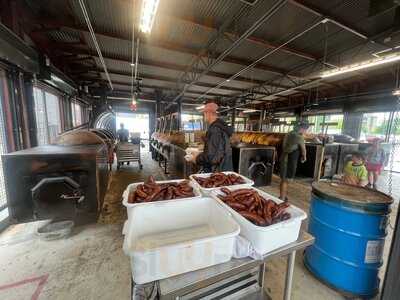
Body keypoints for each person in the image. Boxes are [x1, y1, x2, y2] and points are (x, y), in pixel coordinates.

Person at [190, 101, 233, 172]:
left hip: (217, 172)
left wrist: (196, 159)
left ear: (209, 113)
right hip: (222, 168)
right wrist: (200, 153)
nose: (204, 116)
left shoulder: (215, 130)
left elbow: (211, 157)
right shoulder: (219, 127)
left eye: (204, 113)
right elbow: (215, 150)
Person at [279, 120, 309, 201]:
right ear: (303, 129)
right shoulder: (299, 137)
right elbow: (303, 149)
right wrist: (304, 157)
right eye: (306, 130)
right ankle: (282, 197)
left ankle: (283, 196)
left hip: (283, 157)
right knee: (286, 180)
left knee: (284, 179)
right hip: (289, 160)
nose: (306, 132)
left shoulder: (289, 133)